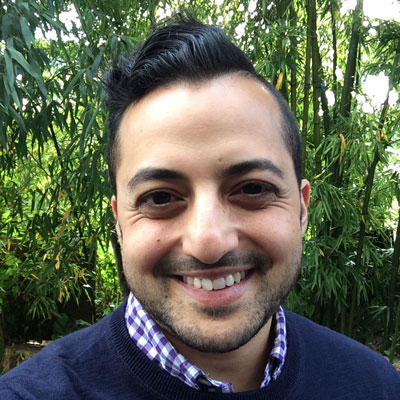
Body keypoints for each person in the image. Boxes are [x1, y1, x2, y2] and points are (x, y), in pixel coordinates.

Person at [1, 17, 399, 399]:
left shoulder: (377, 386)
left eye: (253, 188)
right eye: (159, 198)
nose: (208, 242)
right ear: (119, 221)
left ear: (302, 209)